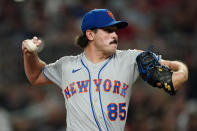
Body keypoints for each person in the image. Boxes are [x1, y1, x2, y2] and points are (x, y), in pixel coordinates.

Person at [22, 9, 188, 131]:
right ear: (90, 34)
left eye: (115, 30)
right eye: (108, 30)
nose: (114, 35)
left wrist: (182, 68)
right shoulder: (67, 65)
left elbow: (172, 81)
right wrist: (29, 55)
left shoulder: (130, 59)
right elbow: (35, 76)